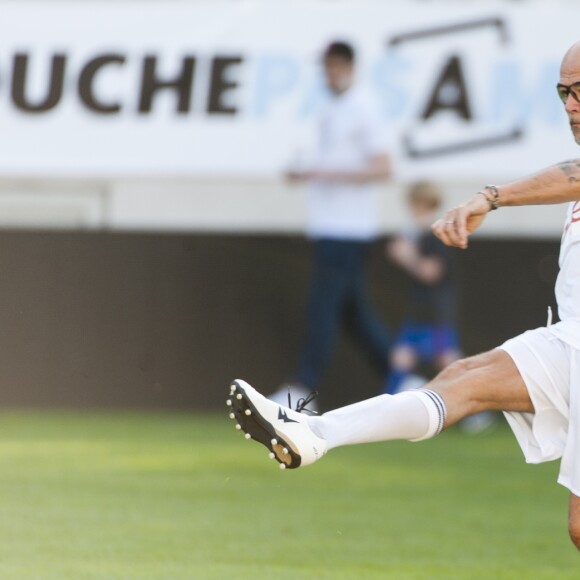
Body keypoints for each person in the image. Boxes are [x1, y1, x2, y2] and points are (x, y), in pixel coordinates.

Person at [227, 42, 580, 549]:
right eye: (563, 91)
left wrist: (490, 196)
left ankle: (315, 432)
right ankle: (312, 432)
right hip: (570, 339)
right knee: (459, 379)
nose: (569, 104)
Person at [270, 40, 392, 406]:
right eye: (325, 67)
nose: (329, 74)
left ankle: (302, 390)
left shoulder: (364, 107)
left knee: (322, 311)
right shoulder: (333, 109)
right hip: (332, 227)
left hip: (347, 229)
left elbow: (383, 167)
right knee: (355, 317)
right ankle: (403, 378)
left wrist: (318, 172)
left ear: (350, 67)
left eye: (335, 66)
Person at [384, 181, 460, 394]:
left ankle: (475, 411)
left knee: (447, 360)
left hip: (435, 312)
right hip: (418, 310)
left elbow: (431, 271)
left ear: (424, 204)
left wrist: (406, 256)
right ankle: (388, 404)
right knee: (401, 356)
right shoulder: (417, 233)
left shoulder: (436, 233)